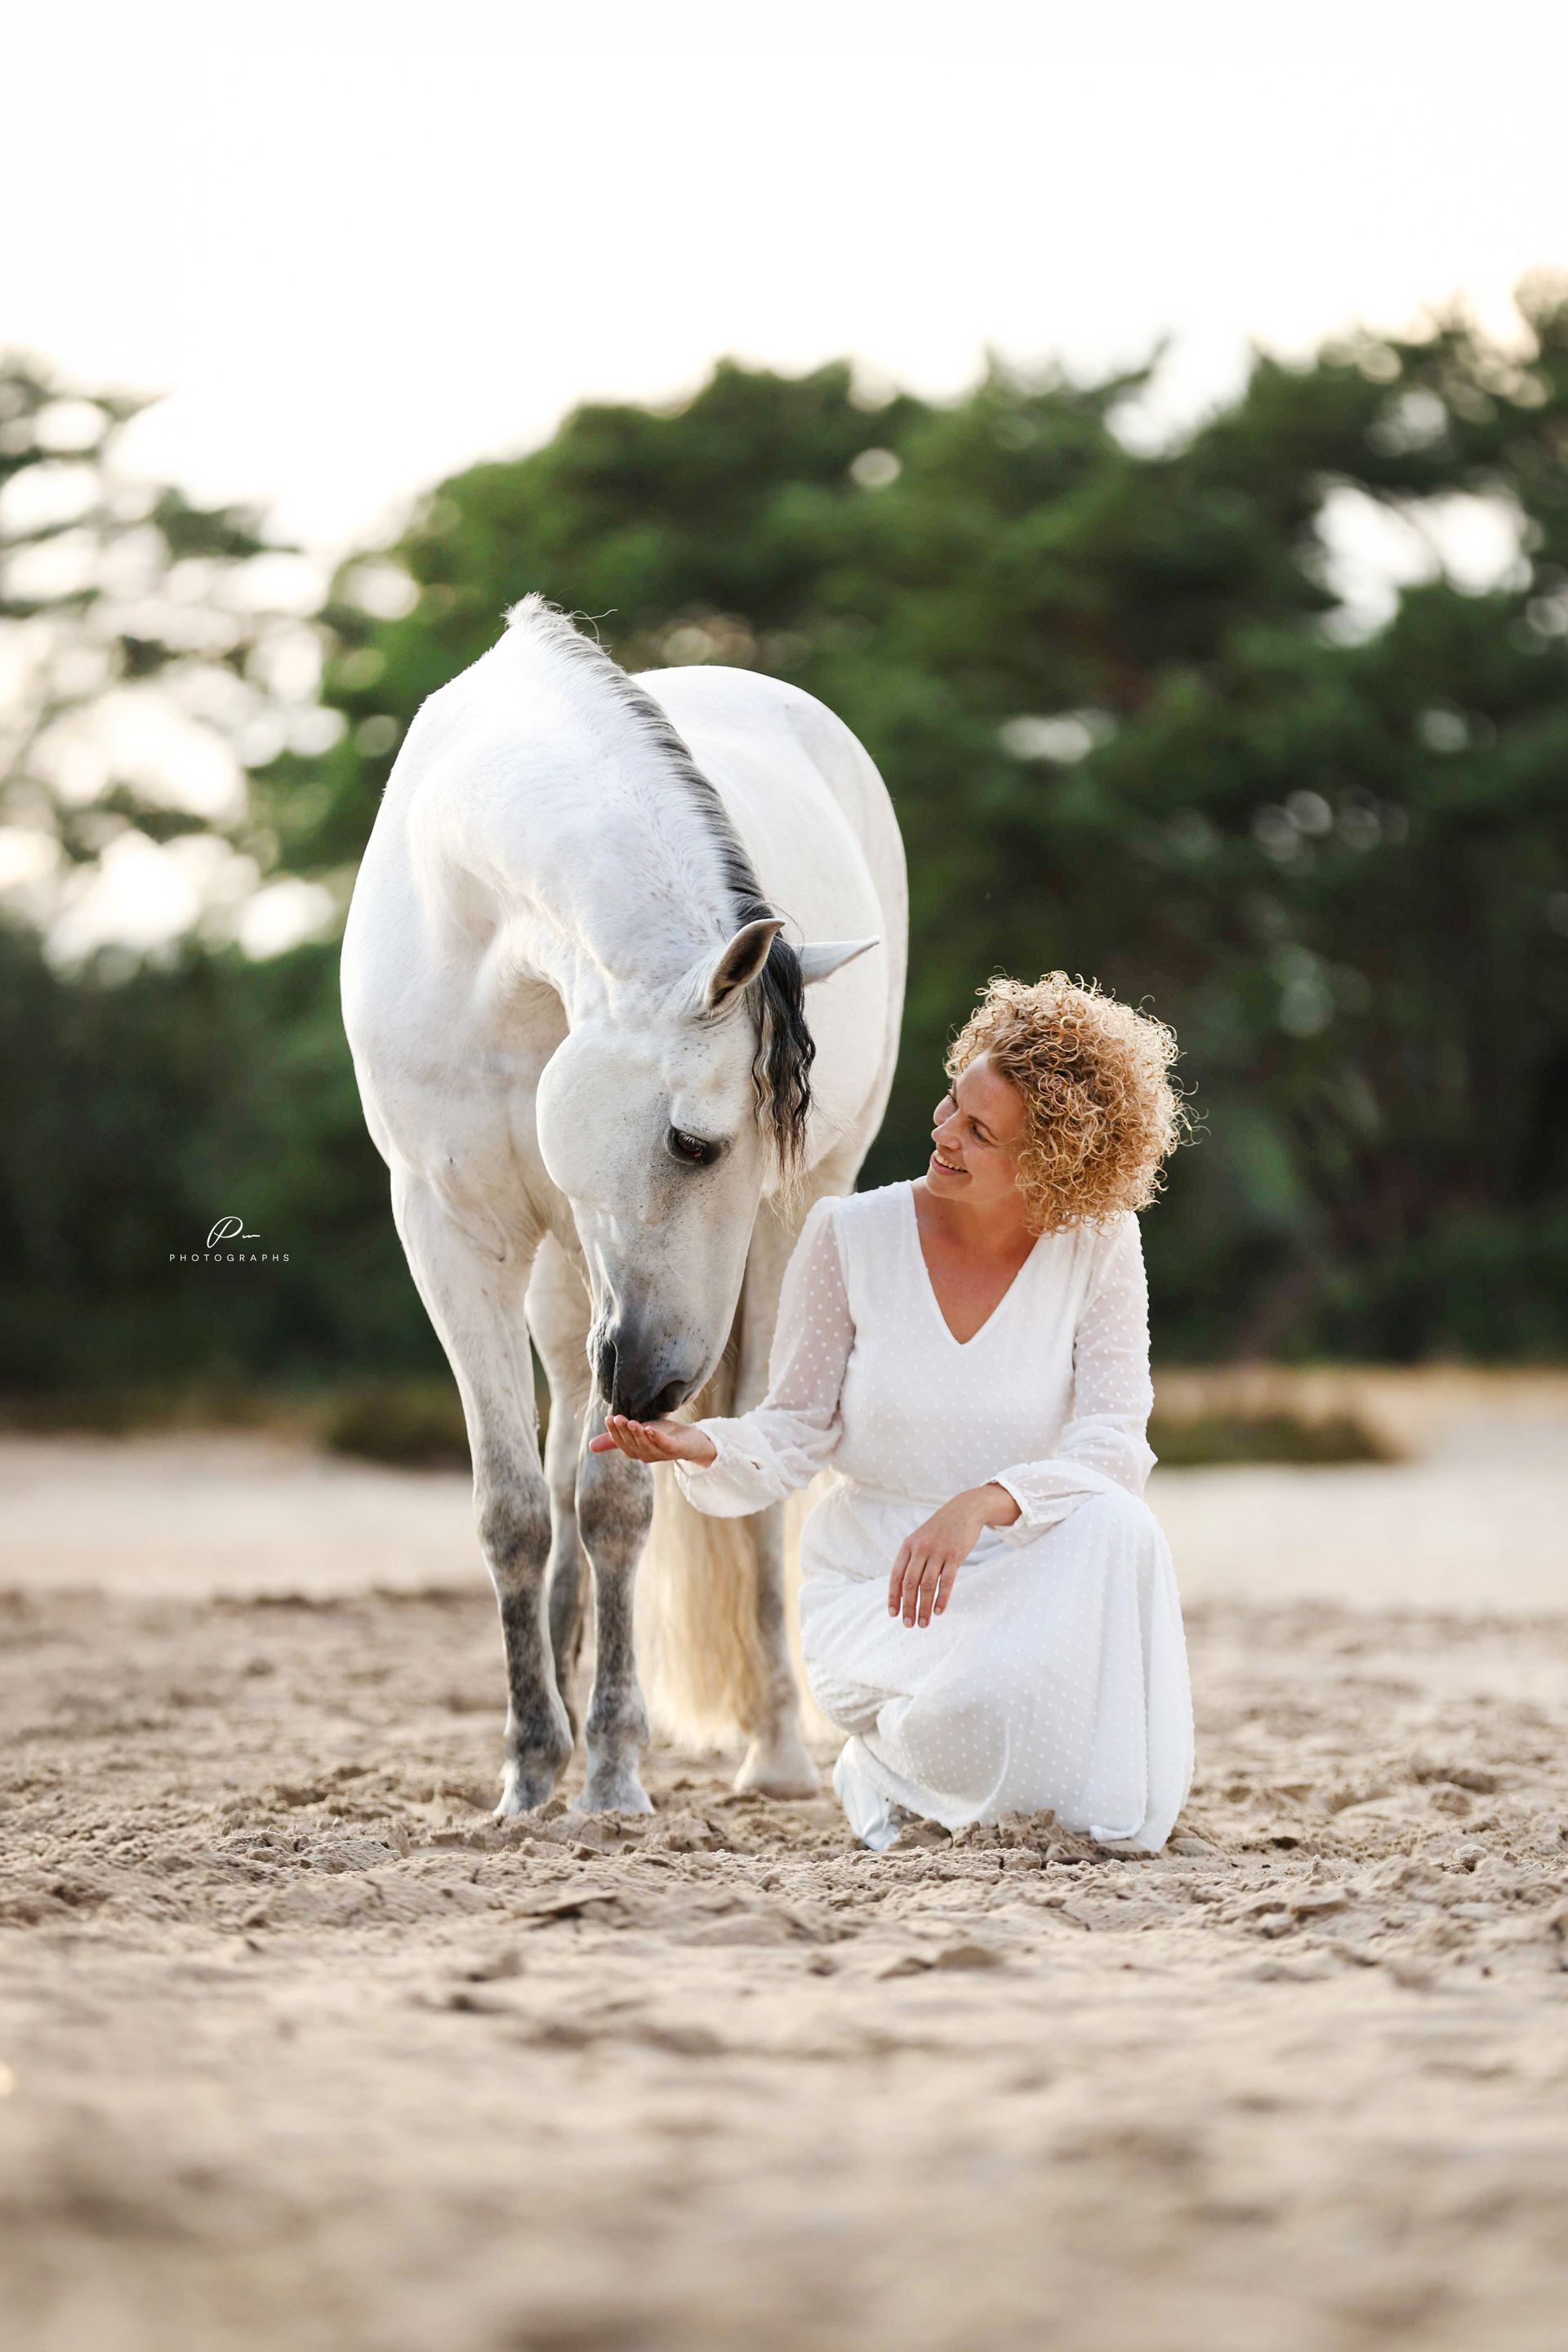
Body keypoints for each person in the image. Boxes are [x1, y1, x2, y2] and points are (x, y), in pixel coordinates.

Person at [590, 972, 1194, 1854]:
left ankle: (1033, 1778)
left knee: (1123, 1529)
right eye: (954, 1104)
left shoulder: (1099, 1244)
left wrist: (985, 1502)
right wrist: (700, 1444)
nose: (944, 1133)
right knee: (974, 1711)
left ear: (1050, 1162)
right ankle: (879, 1768)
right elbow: (796, 1427)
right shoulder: (848, 1235)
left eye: (981, 1133)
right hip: (882, 1591)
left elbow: (1112, 1443)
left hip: (1029, 1572)